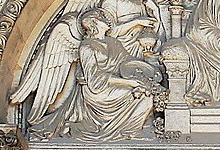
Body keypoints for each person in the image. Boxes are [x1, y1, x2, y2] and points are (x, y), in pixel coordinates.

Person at [67, 10, 161, 142]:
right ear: (94, 23)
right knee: (142, 95)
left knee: (145, 94)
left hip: (118, 83)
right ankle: (128, 132)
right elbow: (94, 79)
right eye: (100, 17)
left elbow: (127, 62)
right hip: (99, 90)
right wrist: (130, 83)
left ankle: (131, 130)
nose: (105, 18)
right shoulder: (87, 47)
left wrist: (148, 70)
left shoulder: (113, 42)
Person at [99, 0, 165, 58]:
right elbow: (110, 31)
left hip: (141, 48)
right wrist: (137, 22)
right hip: (121, 49)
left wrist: (155, 10)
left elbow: (151, 31)